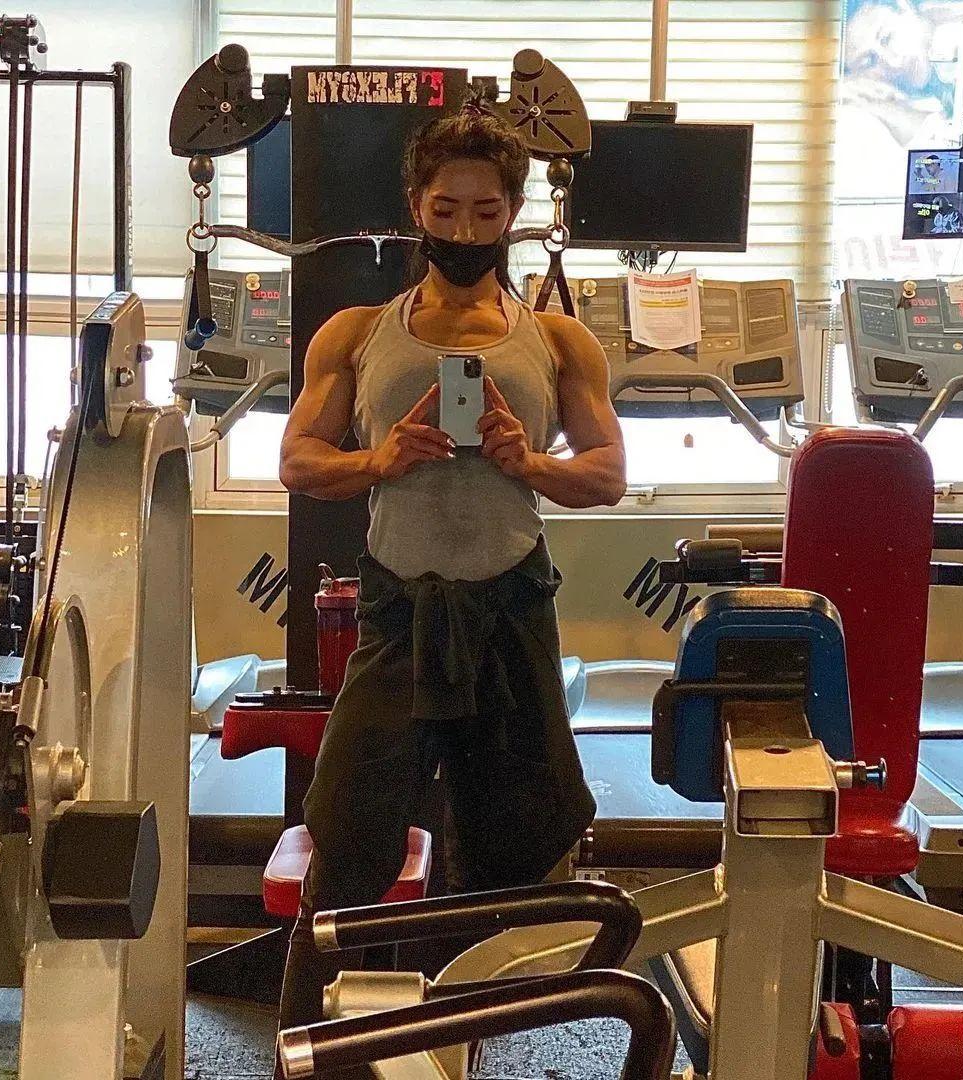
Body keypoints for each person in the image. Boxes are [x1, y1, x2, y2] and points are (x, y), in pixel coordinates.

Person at [274, 104, 626, 1055]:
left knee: (510, 853)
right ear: (416, 207)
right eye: (446, 209)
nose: (465, 231)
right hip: (401, 611)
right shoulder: (355, 333)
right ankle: (309, 1055)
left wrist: (528, 462)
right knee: (348, 840)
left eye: (485, 212)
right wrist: (380, 458)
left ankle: (473, 1047)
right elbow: (299, 460)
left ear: (512, 213)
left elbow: (605, 475)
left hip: (511, 610)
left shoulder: (561, 341)